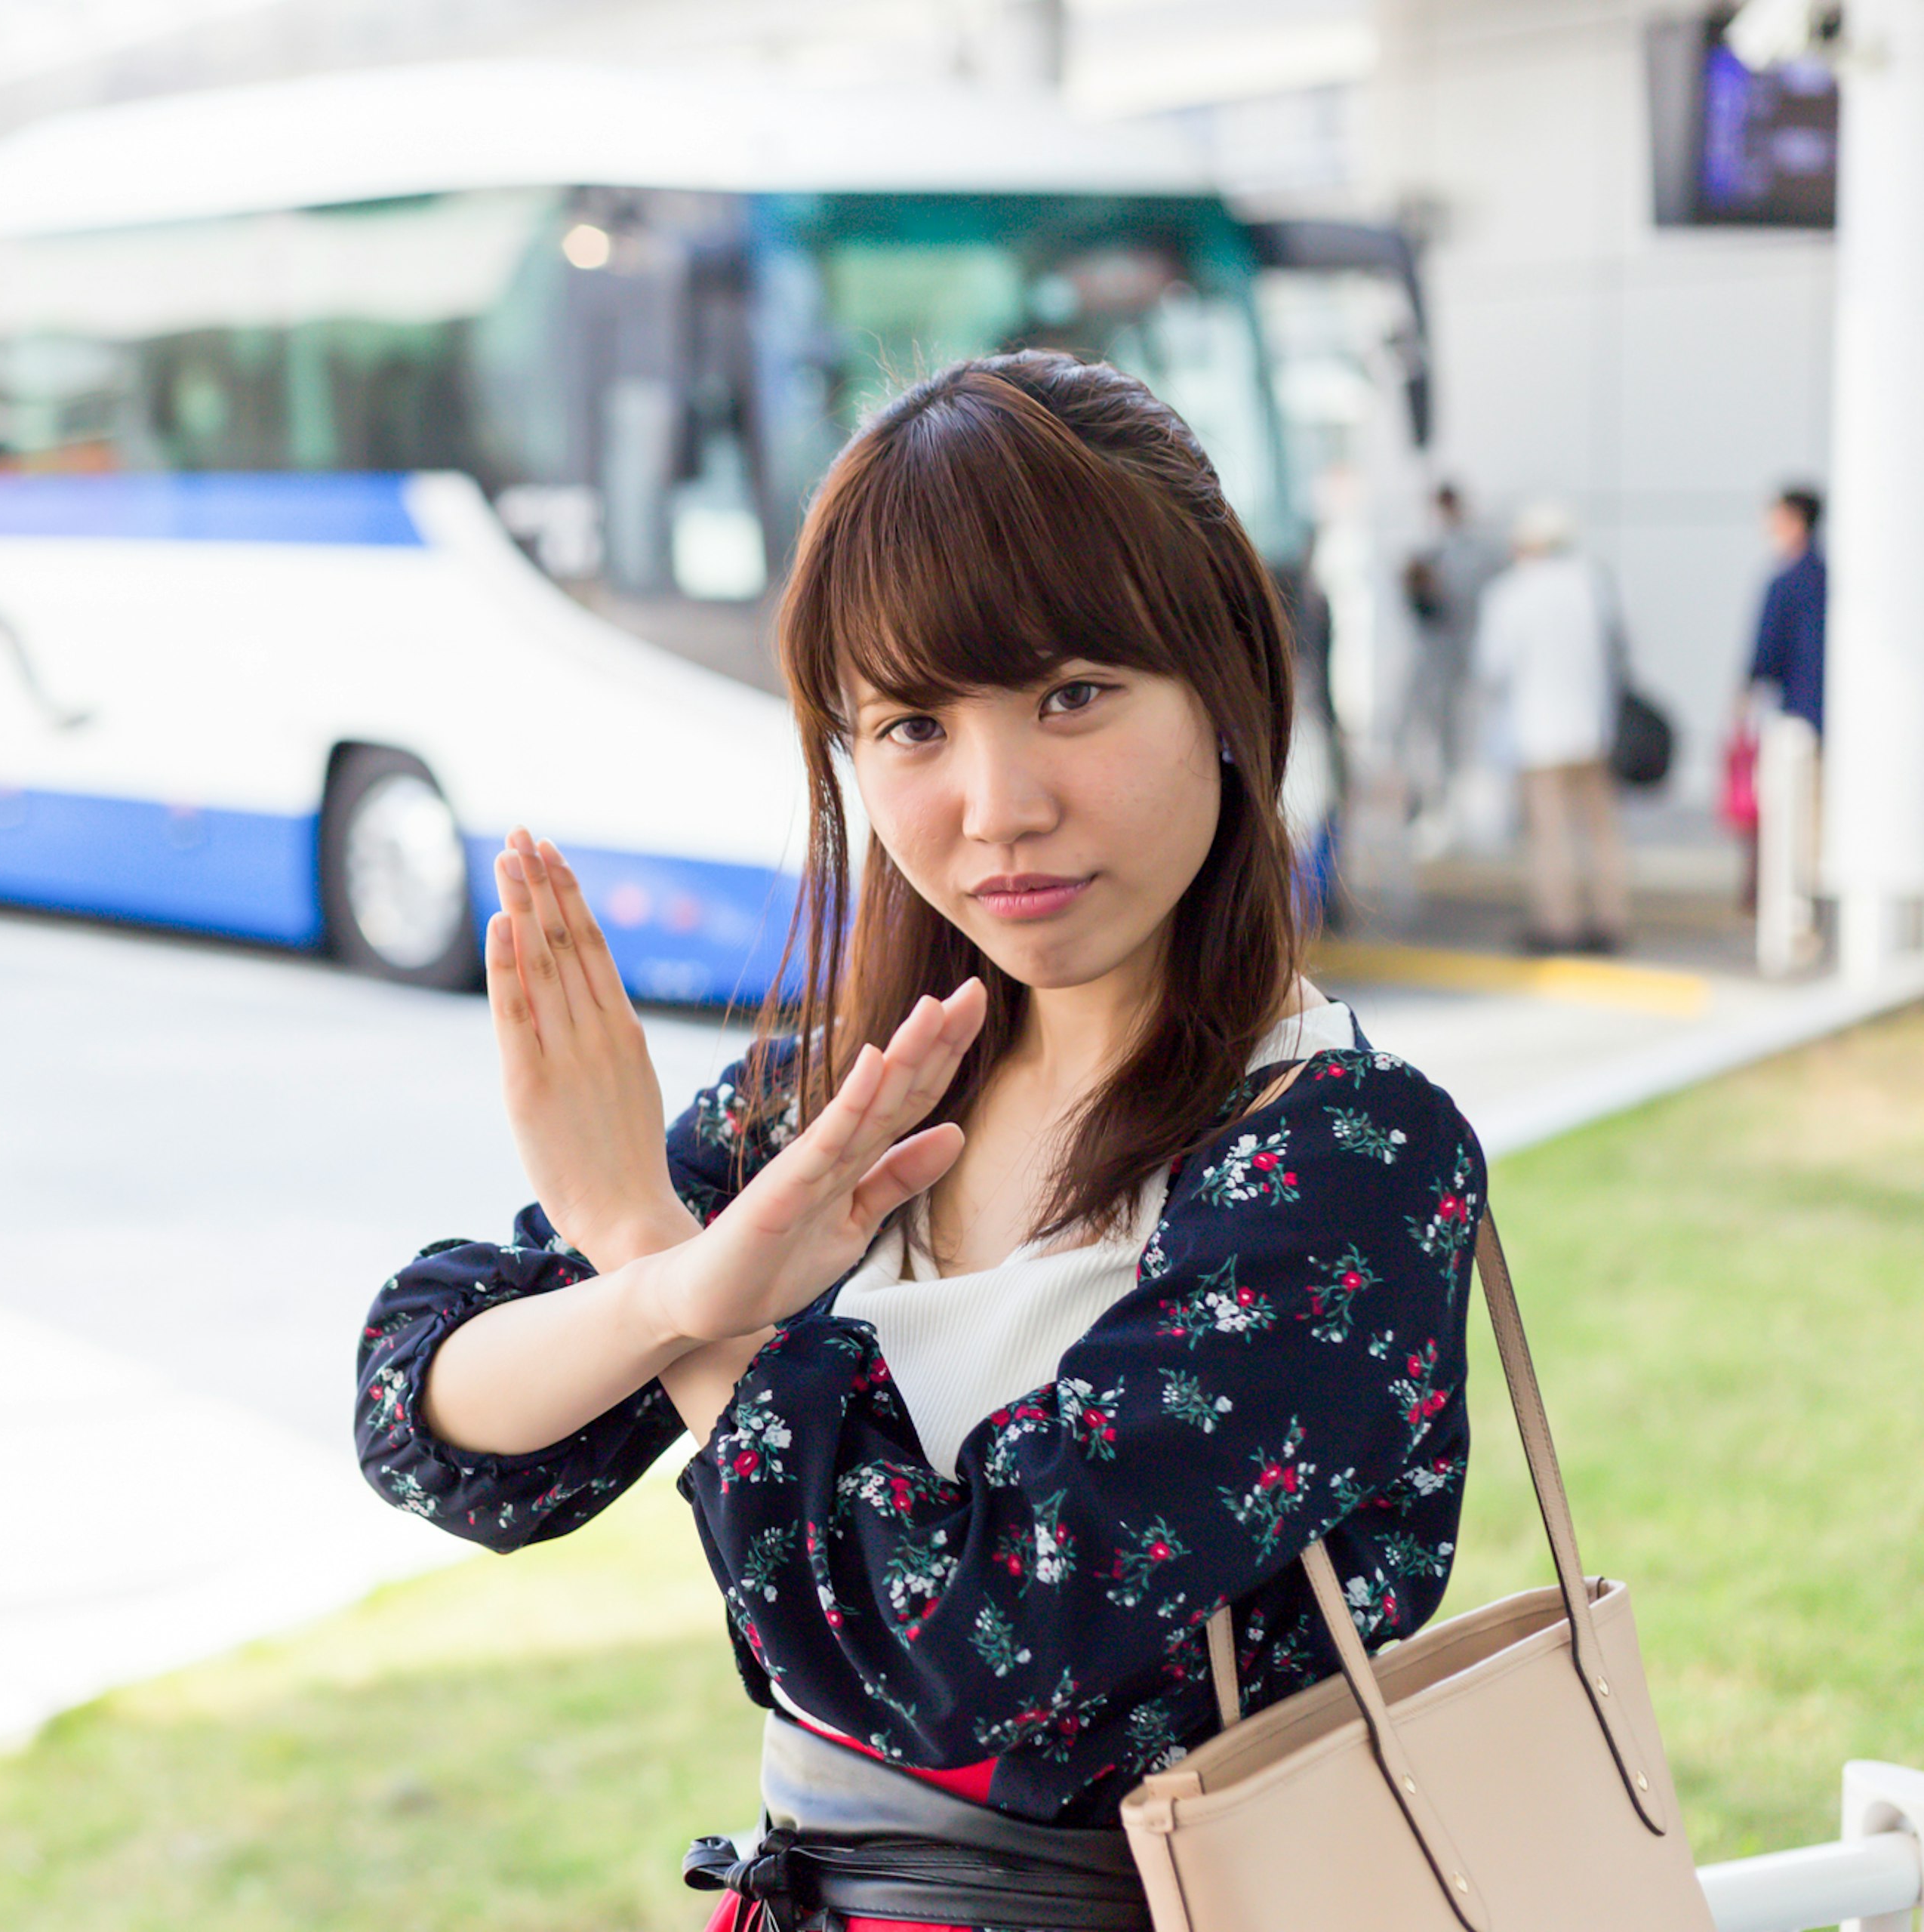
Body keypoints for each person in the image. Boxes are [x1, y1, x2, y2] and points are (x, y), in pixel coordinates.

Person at [353, 353, 1487, 1930]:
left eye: (1073, 695)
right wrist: (660, 1284)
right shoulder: (833, 1105)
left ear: (1227, 687)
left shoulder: (1341, 1159)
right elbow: (436, 1421)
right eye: (910, 724)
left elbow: (970, 1645)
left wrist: (646, 1252)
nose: (996, 801)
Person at [1473, 500, 1628, 954]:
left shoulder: (1509, 593)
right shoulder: (1592, 584)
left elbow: (1491, 666)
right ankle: (1610, 918)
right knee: (1602, 832)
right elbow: (1617, 649)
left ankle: (1558, 925)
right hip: (1593, 728)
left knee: (1550, 834)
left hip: (1537, 733)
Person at [1738, 485, 1826, 972]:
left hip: (1795, 722)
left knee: (1788, 835)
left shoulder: (1787, 580)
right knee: (1818, 829)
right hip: (1832, 724)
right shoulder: (1833, 575)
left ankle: (1788, 936)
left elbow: (1763, 660)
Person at [1400, 481, 1498, 803]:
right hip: (1431, 658)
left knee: (1462, 736)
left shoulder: (1477, 553)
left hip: (1463, 658)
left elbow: (1476, 602)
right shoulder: (1425, 551)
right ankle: (1431, 798)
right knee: (1422, 731)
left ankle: (1457, 799)